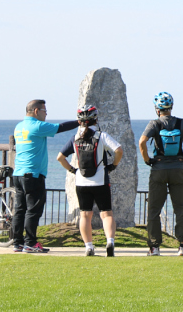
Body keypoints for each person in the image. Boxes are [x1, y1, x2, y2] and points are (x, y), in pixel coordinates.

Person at [138, 92, 183, 256]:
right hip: (178, 169)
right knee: (181, 208)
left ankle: (154, 247)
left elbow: (142, 142)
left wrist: (147, 160)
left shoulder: (154, 124)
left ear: (157, 109)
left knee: (154, 209)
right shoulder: (182, 123)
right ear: (171, 107)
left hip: (158, 169)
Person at [12, 99, 78, 253]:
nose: (46, 114)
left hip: (18, 174)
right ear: (36, 111)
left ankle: (17, 243)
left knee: (20, 209)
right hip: (33, 174)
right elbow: (60, 127)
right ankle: (31, 243)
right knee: (33, 210)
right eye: (45, 111)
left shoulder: (19, 126)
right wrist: (80, 122)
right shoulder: (37, 126)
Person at [56, 105, 123, 257]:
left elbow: (60, 157)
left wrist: (73, 170)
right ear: (95, 119)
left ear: (79, 121)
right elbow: (119, 150)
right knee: (106, 214)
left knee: (85, 215)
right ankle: (110, 242)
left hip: (81, 182)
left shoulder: (75, 139)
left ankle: (88, 247)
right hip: (100, 181)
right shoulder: (101, 136)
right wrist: (113, 165)